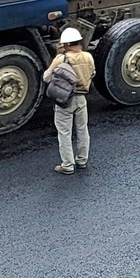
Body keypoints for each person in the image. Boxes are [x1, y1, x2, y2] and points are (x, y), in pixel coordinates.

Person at [44, 27, 97, 175]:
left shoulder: (61, 59)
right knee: (82, 130)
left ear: (65, 44)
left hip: (64, 100)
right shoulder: (88, 56)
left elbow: (46, 77)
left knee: (64, 132)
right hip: (81, 99)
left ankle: (67, 165)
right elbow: (93, 73)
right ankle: (82, 160)